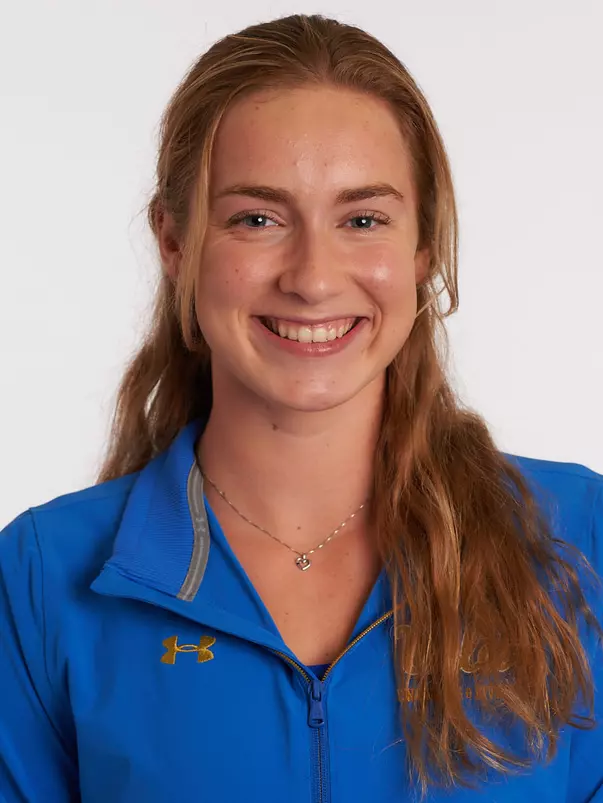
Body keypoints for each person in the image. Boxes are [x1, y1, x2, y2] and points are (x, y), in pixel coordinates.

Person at [0, 12, 601, 803]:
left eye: (362, 220)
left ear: (421, 249)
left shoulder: (575, 541)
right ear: (174, 243)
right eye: (257, 218)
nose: (313, 277)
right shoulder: (45, 576)